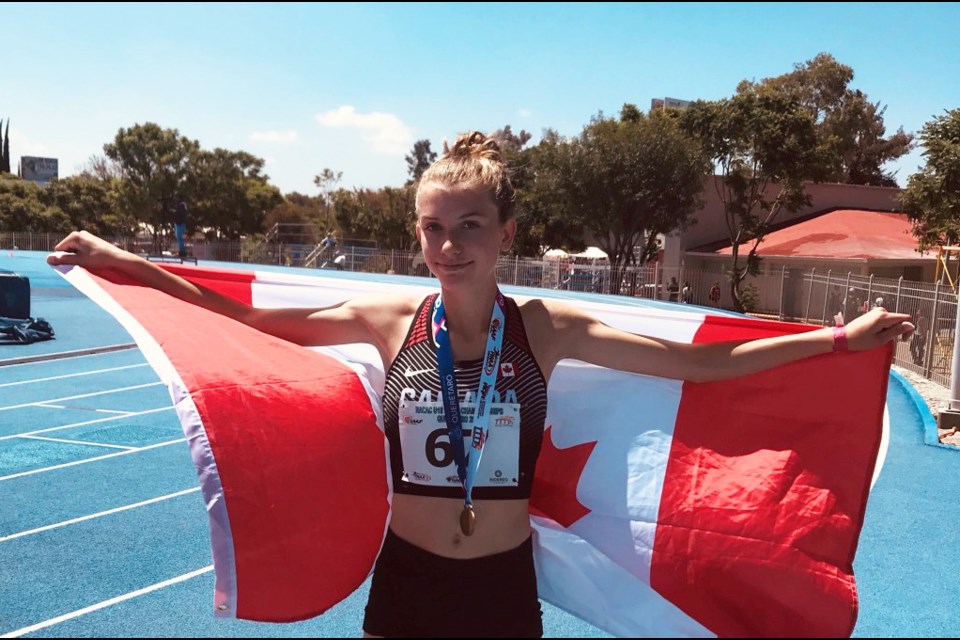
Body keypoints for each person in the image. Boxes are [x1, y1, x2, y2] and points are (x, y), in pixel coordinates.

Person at [47, 131, 914, 638]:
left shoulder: (543, 329)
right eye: (432, 228)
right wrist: (134, 266)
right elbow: (248, 321)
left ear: (505, 230)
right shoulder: (392, 323)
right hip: (409, 579)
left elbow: (703, 364)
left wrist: (836, 339)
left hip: (500, 589)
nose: (449, 245)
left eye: (469, 225)